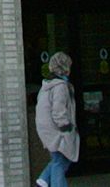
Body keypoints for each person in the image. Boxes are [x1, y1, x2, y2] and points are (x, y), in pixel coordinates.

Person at [35, 52, 79, 187]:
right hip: (57, 129)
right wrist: (66, 127)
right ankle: (48, 180)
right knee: (60, 161)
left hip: (46, 128)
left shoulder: (47, 85)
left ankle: (43, 179)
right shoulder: (60, 86)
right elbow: (58, 110)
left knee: (59, 159)